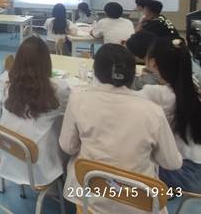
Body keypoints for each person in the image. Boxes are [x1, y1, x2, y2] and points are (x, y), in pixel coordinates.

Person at [59, 44, 182, 214]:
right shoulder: (153, 112)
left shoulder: (78, 99)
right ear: (133, 75)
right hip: (137, 203)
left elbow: (68, 147)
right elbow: (172, 162)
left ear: (95, 72)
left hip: (89, 198)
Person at [0, 37, 71, 187]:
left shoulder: (6, 82)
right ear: (46, 62)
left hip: (10, 157)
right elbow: (69, 109)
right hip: (40, 169)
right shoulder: (58, 89)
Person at [140, 37, 201, 192]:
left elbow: (123, 100)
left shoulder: (156, 93)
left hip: (184, 174)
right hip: (196, 166)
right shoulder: (193, 87)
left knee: (130, 162)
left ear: (152, 63)